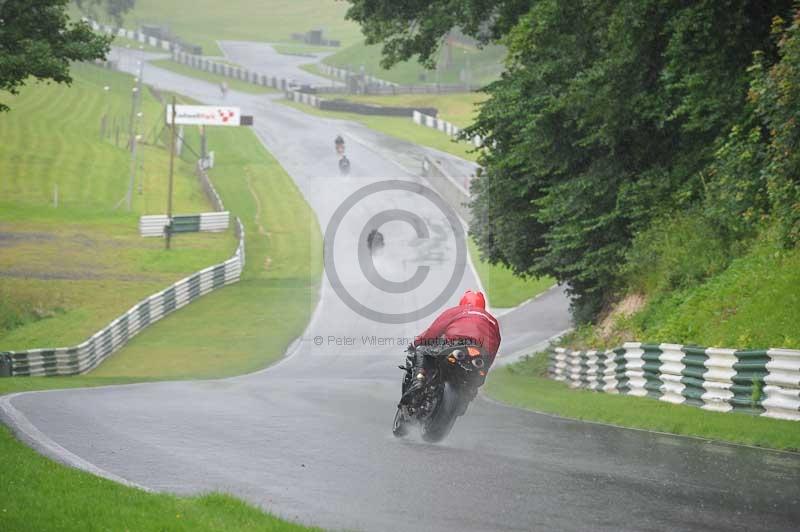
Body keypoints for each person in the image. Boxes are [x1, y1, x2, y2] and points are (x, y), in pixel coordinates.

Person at [401, 290, 501, 402]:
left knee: (422, 351)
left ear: (463, 302)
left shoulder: (458, 311)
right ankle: (465, 398)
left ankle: (418, 381)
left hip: (456, 344)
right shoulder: (492, 321)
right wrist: (485, 368)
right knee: (473, 385)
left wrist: (417, 342)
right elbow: (495, 344)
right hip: (479, 354)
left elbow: (433, 331)